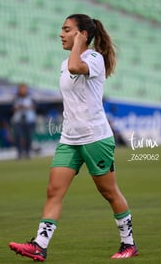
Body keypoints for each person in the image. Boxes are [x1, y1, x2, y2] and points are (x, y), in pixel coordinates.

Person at [9, 14, 138, 261]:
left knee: (109, 192)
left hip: (95, 138)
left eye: (67, 30)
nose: (61, 34)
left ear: (83, 35)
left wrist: (79, 44)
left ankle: (129, 244)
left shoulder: (94, 58)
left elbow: (75, 67)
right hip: (69, 139)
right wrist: (76, 43)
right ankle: (39, 245)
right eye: (62, 29)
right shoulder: (65, 61)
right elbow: (70, 70)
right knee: (53, 191)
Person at [11, 83, 36, 159]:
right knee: (18, 136)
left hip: (28, 120)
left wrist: (27, 107)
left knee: (28, 137)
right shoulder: (16, 98)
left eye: (24, 89)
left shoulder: (30, 97)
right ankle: (19, 153)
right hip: (18, 120)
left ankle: (28, 152)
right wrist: (19, 107)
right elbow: (12, 109)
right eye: (21, 89)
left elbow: (34, 107)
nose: (22, 91)